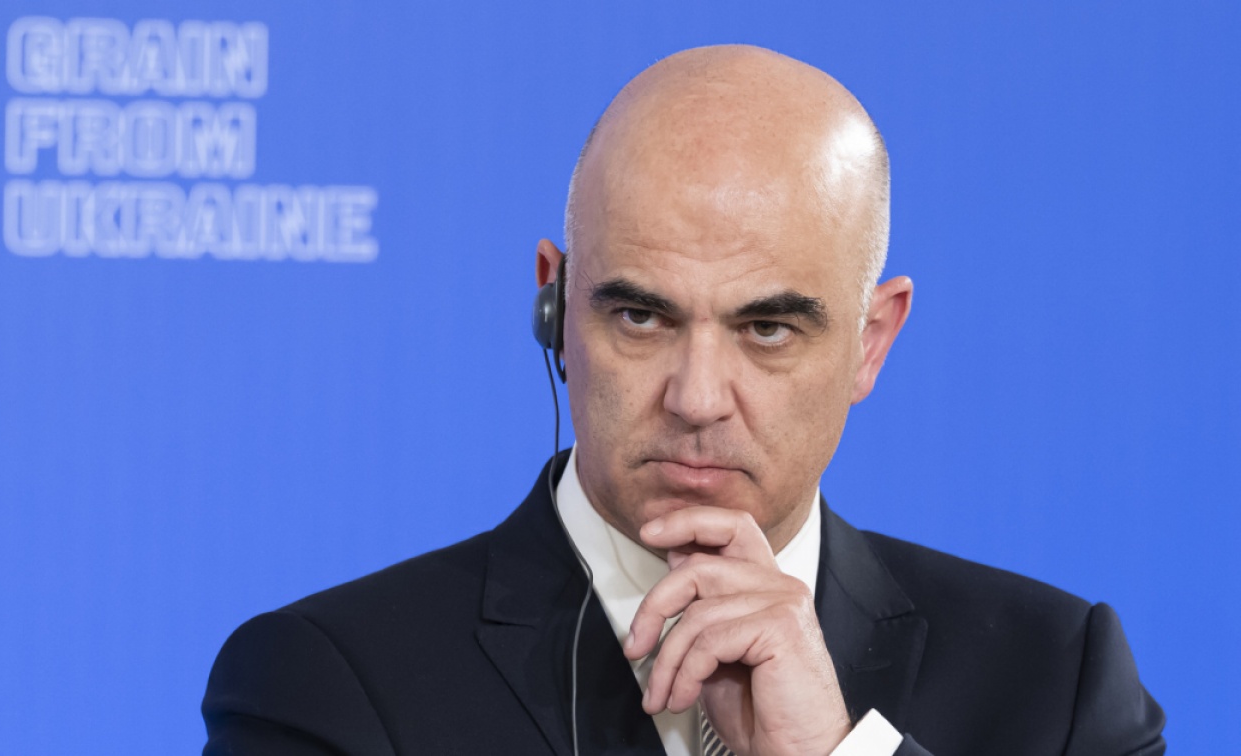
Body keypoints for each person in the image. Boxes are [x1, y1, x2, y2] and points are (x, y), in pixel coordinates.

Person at [201, 45, 1164, 756]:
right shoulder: (328, 684)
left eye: (768, 329)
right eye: (641, 317)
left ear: (871, 342)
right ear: (555, 310)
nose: (698, 399)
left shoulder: (1055, 683)